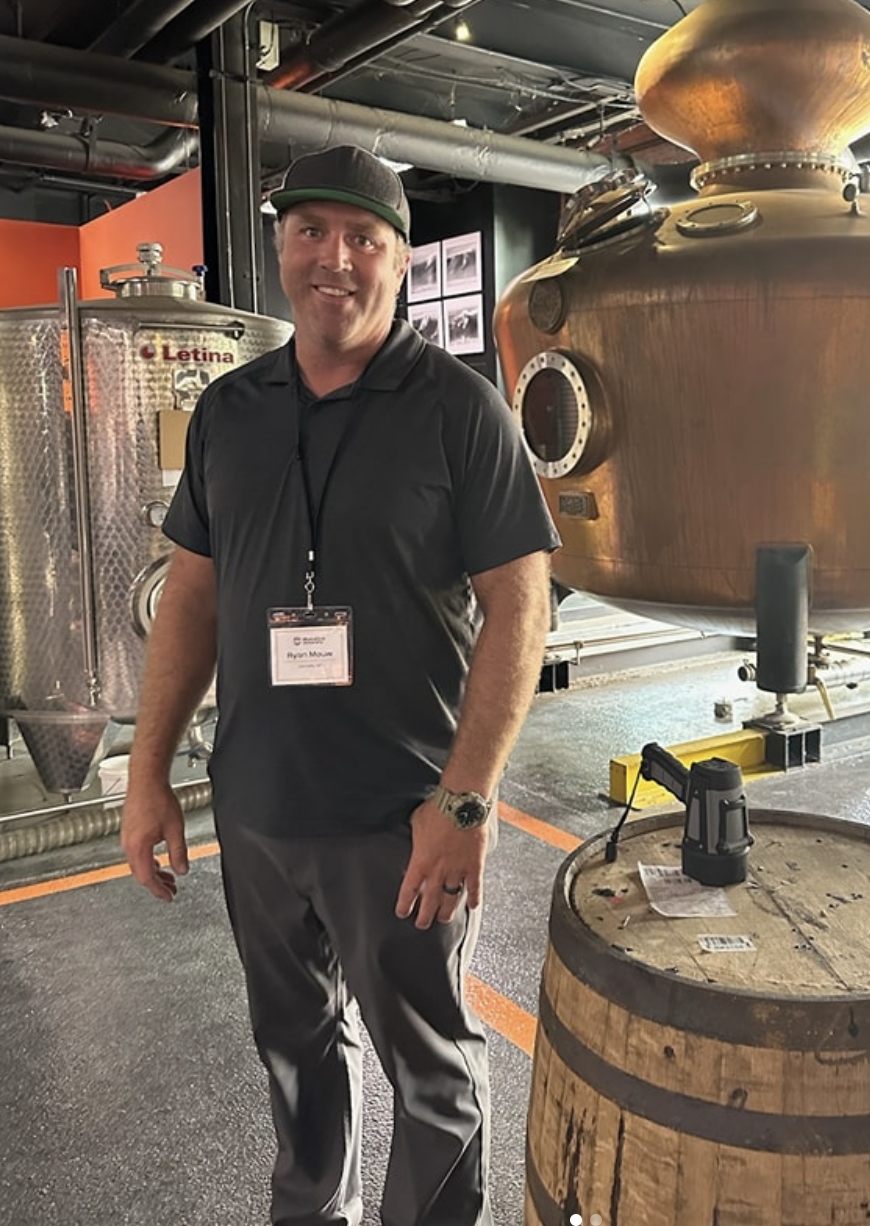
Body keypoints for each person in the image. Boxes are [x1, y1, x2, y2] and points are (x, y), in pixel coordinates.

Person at [121, 144, 560, 1226]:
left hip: (401, 819)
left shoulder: (461, 412)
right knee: (295, 1055)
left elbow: (522, 607)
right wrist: (147, 774)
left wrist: (465, 801)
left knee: (430, 1075)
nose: (335, 258)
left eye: (363, 238)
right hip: (261, 809)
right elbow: (189, 598)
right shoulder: (230, 411)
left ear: (399, 262)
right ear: (279, 242)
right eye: (312, 230)